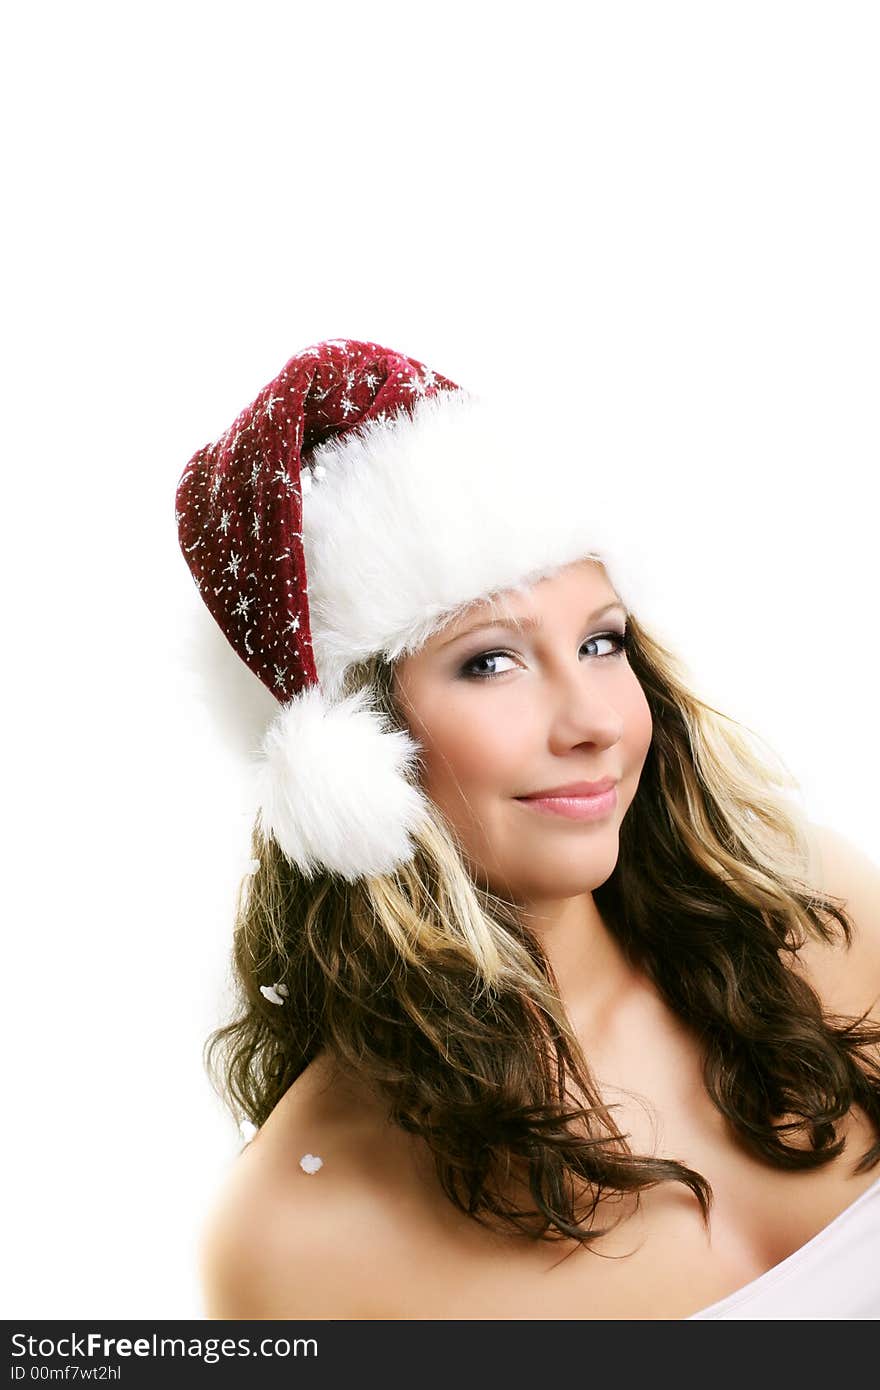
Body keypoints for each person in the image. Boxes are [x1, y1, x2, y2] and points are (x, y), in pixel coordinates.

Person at [176, 338, 880, 1320]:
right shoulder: (297, 1242)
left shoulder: (821, 918)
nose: (592, 720)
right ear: (353, 750)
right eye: (489, 663)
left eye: (601, 642)